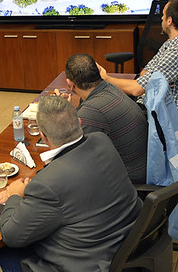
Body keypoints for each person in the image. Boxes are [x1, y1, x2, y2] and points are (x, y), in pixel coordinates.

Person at [0, 96, 141, 272]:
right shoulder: (102, 141)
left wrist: (14, 196)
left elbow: (11, 235)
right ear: (79, 122)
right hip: (123, 259)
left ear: (43, 136)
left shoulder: (49, 184)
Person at [99, 0, 178, 123]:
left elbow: (136, 89)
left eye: (164, 15)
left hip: (163, 119)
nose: (161, 17)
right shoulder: (174, 42)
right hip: (154, 103)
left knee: (102, 112)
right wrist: (150, 83)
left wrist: (105, 78)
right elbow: (146, 72)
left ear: (169, 21)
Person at [57, 53, 148, 183]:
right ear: (98, 72)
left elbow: (70, 151)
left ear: (70, 84)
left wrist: (62, 114)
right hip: (140, 165)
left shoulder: (92, 111)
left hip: (128, 179)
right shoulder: (109, 88)